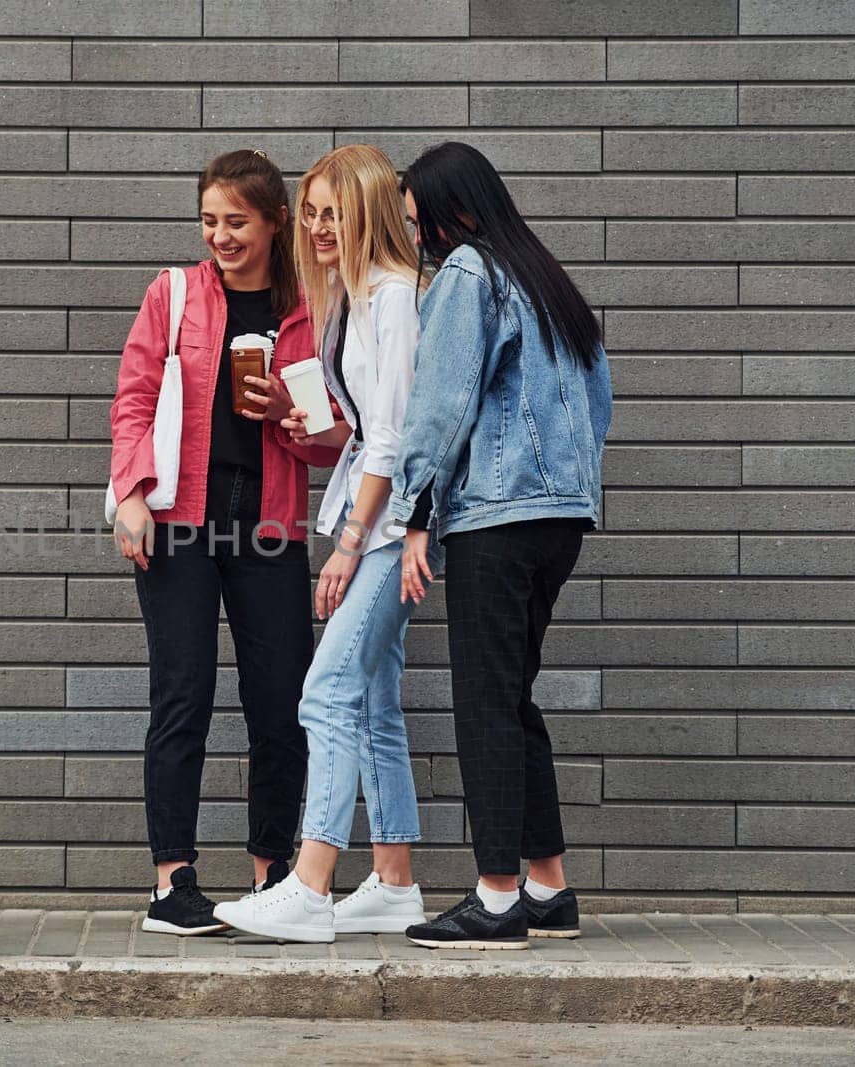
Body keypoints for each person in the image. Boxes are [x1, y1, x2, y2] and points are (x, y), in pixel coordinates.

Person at [109, 149, 343, 935]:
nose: (221, 235)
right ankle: (172, 884)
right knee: (184, 697)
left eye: (237, 221)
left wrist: (286, 409)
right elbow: (134, 401)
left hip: (269, 528)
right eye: (209, 221)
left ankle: (274, 873)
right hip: (178, 523)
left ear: (277, 222)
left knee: (282, 704)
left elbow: (333, 440)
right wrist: (132, 497)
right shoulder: (173, 295)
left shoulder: (310, 310)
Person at [389, 142, 612, 950]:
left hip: (496, 516)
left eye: (423, 224)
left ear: (459, 210)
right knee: (514, 698)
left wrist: (417, 510)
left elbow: (441, 404)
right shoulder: (545, 278)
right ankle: (548, 888)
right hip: (560, 520)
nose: (422, 242)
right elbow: (599, 401)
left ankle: (495, 896)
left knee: (485, 703)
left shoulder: (469, 274)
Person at [214, 144, 432, 943]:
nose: (315, 227)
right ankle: (396, 881)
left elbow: (399, 439)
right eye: (309, 213)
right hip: (366, 516)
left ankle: (309, 885)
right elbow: (367, 426)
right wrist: (320, 422)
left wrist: (346, 543)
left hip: (376, 531)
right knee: (371, 700)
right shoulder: (351, 296)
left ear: (368, 210)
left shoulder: (396, 297)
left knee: (326, 691)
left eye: (330, 213)